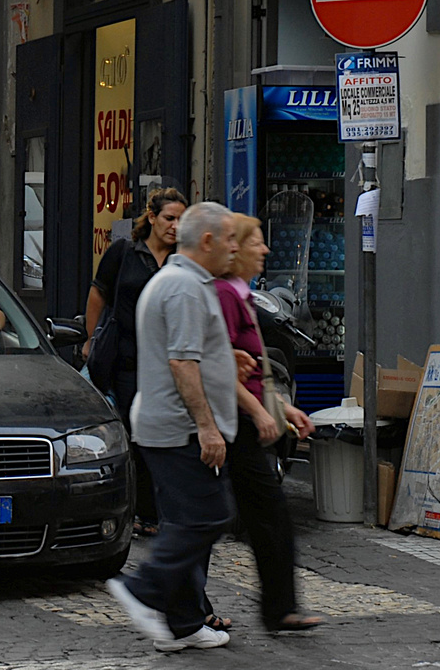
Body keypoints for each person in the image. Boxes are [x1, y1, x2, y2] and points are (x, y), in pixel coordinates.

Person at [106, 201, 239, 653]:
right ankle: (142, 590)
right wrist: (207, 427)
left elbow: (189, 353)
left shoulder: (184, 281)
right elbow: (182, 363)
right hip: (178, 429)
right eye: (230, 239)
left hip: (167, 424)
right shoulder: (183, 286)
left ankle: (183, 623)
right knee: (207, 516)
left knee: (188, 520)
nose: (235, 248)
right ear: (207, 241)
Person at [214, 213, 321, 632]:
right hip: (237, 422)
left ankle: (278, 608)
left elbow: (256, 367)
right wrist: (259, 411)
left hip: (249, 417)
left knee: (264, 517)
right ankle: (277, 609)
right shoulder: (225, 294)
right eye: (257, 242)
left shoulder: (241, 295)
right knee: (263, 515)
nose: (266, 250)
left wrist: (280, 406)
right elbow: (218, 364)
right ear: (235, 248)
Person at [85, 186, 188, 536]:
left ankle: (156, 510)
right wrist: (90, 338)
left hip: (167, 362)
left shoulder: (183, 259)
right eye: (169, 218)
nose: (174, 226)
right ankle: (140, 511)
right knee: (134, 435)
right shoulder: (126, 252)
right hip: (128, 361)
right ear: (153, 218)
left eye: (180, 220)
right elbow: (98, 292)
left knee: (163, 437)